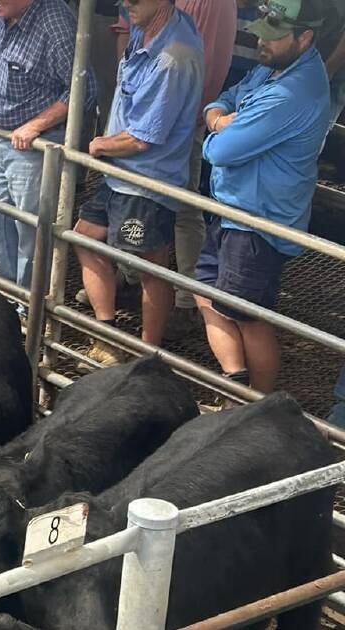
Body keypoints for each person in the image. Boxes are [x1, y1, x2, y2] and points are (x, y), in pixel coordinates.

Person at [197, 0, 334, 394]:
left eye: (273, 36)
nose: (262, 41)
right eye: (261, 32)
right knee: (209, 295)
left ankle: (258, 402)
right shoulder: (272, 68)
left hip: (258, 220)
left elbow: (221, 152)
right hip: (233, 209)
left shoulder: (293, 91)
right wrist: (220, 119)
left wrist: (213, 131)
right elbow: (224, 98)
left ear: (305, 37)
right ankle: (237, 385)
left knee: (248, 316)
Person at [74, 0, 204, 369]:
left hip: (146, 179)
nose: (125, 3)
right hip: (124, 174)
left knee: (152, 267)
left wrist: (99, 144)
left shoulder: (172, 58)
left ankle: (146, 355)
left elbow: (145, 137)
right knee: (84, 238)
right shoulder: (156, 30)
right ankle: (109, 337)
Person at [0, 0, 97, 288]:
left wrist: (36, 126)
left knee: (30, 229)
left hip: (36, 147)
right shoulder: (2, 12)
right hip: (2, 140)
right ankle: (9, 289)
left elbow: (84, 88)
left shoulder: (55, 25)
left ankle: (29, 302)